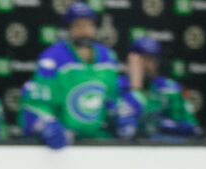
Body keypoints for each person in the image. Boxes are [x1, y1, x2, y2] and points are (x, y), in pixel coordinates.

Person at [19, 2, 126, 150]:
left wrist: (121, 116)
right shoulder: (53, 57)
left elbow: (113, 97)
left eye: (87, 25)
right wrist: (46, 124)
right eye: (78, 25)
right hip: (66, 142)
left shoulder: (107, 56)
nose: (84, 30)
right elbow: (35, 102)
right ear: (69, 28)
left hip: (98, 142)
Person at [117, 36, 201, 140]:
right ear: (131, 61)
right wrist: (135, 87)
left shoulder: (171, 88)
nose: (150, 65)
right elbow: (125, 130)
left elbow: (192, 128)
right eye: (145, 59)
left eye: (154, 60)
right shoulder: (117, 87)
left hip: (167, 146)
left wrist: (161, 124)